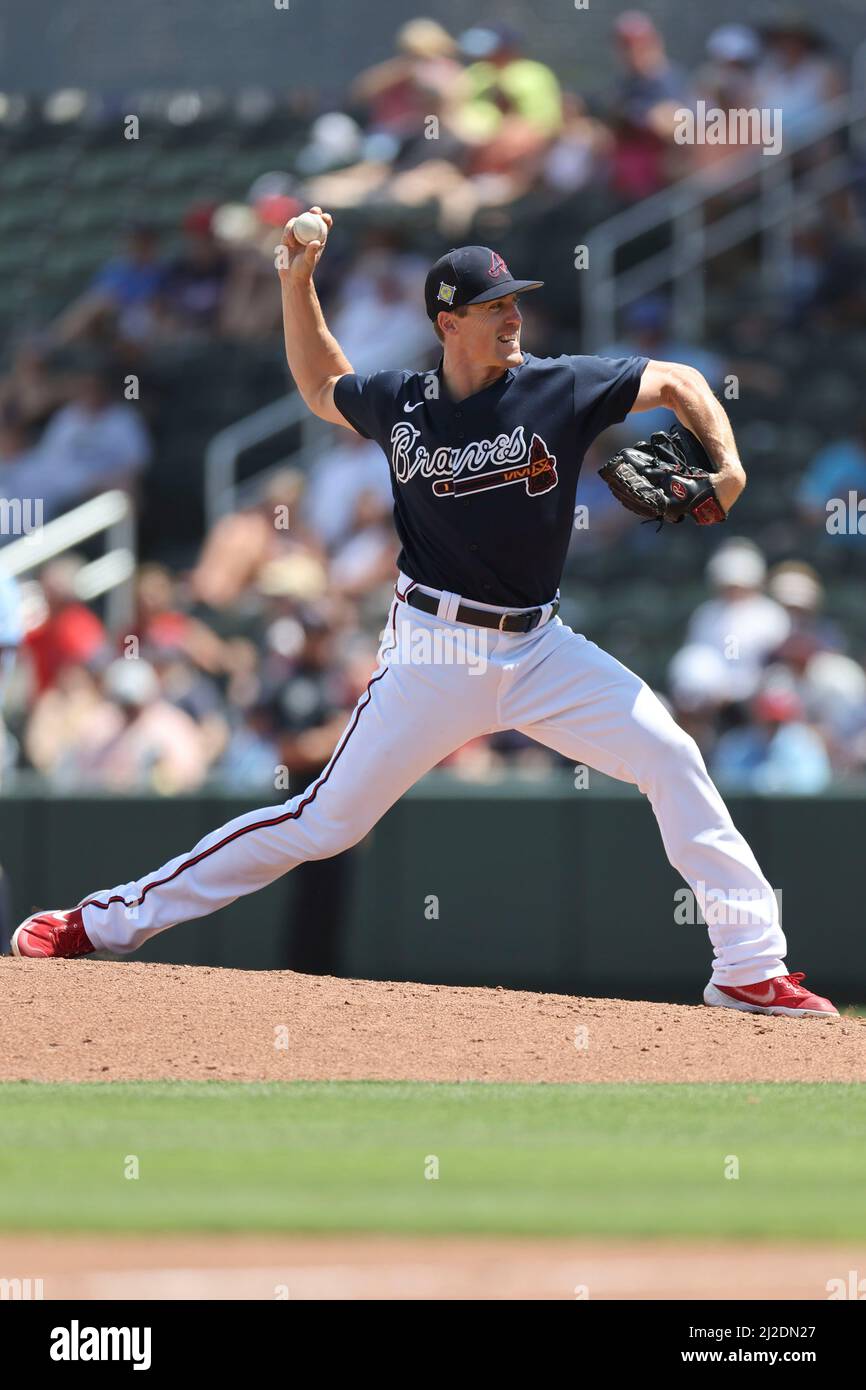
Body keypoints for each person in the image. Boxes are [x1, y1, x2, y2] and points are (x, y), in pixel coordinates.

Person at [10, 210, 837, 1020]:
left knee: (671, 755)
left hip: (542, 648)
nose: (515, 315)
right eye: (495, 306)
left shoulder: (561, 385)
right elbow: (320, 385)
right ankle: (101, 921)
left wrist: (724, 464)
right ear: (449, 321)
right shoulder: (403, 401)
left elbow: (681, 382)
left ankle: (749, 967)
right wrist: (297, 283)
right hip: (431, 652)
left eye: (516, 302)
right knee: (322, 822)